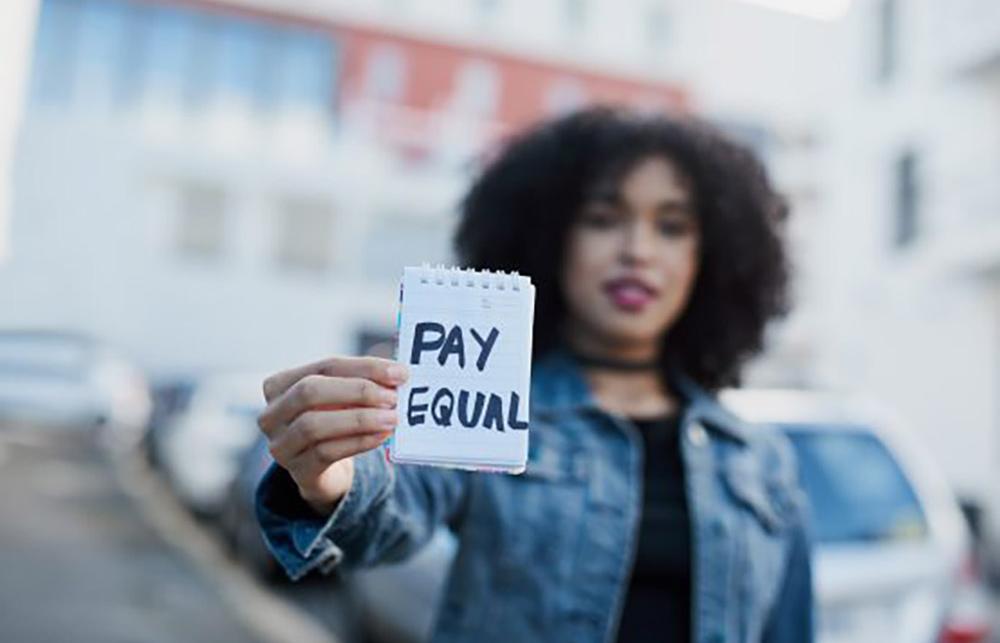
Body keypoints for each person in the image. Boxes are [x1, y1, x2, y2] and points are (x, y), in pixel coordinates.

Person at [254, 106, 813, 643]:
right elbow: (392, 508)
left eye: (671, 227)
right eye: (602, 219)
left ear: (709, 257)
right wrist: (334, 478)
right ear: (550, 240)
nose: (637, 250)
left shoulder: (761, 462)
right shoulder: (490, 407)